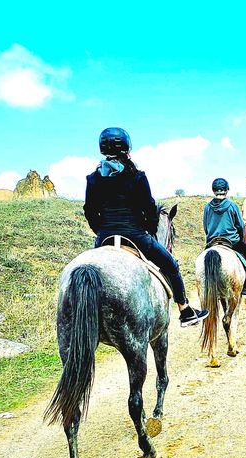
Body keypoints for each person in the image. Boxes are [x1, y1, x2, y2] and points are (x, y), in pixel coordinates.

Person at [84, 127, 208, 327]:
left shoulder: (93, 179)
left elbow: (90, 211)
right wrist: (148, 229)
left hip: (104, 238)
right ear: (127, 149)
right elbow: (150, 209)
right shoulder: (137, 176)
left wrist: (100, 230)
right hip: (136, 236)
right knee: (171, 266)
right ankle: (185, 310)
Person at [203, 178, 246, 297]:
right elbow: (240, 226)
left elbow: (206, 227)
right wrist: (239, 237)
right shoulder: (232, 206)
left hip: (213, 242)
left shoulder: (208, 207)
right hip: (231, 241)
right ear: (227, 190)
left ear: (213, 190)